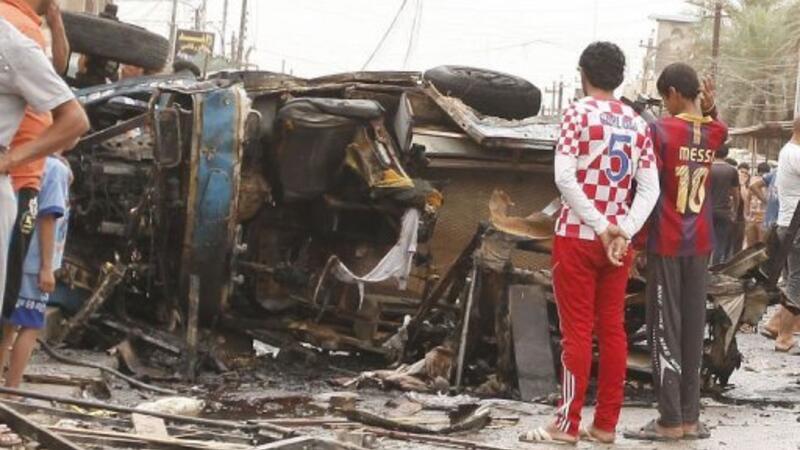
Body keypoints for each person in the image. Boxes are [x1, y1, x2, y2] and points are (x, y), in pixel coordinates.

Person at [520, 41, 659, 445]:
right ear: (619, 76)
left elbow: (565, 177)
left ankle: (566, 424)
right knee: (612, 329)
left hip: (578, 237)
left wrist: (600, 226)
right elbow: (649, 189)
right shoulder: (637, 123)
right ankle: (606, 425)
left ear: (582, 73)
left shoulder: (577, 113)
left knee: (577, 332)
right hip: (618, 245)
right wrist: (623, 230)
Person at [627, 64, 728, 441]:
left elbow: (647, 189)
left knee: (664, 328)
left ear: (671, 92)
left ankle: (669, 420)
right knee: (691, 328)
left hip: (667, 240)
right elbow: (720, 128)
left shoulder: (660, 130)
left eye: (664, 97)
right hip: (700, 242)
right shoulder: (712, 132)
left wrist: (638, 242)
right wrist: (710, 107)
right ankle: (690, 417)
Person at [0, 0, 72, 360]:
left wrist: (55, 22)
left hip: (20, 175)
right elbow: (72, 116)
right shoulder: (19, 31)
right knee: (7, 307)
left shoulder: (22, 27)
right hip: (19, 178)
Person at [2, 156, 70, 391]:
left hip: (12, 255)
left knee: (6, 325)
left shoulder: (22, 158)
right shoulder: (55, 169)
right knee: (30, 325)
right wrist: (46, 267)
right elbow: (47, 219)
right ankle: (12, 390)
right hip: (32, 262)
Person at [771, 118, 800, 354]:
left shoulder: (787, 151)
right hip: (795, 226)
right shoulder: (796, 154)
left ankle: (775, 324)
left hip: (787, 223)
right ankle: (784, 336)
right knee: (797, 280)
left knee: (792, 278)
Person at [709, 145, 740, 265]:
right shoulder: (732, 170)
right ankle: (715, 267)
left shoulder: (707, 168)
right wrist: (735, 211)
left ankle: (704, 268)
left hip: (707, 211)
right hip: (724, 211)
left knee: (705, 241)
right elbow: (736, 193)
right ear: (726, 154)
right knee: (720, 242)